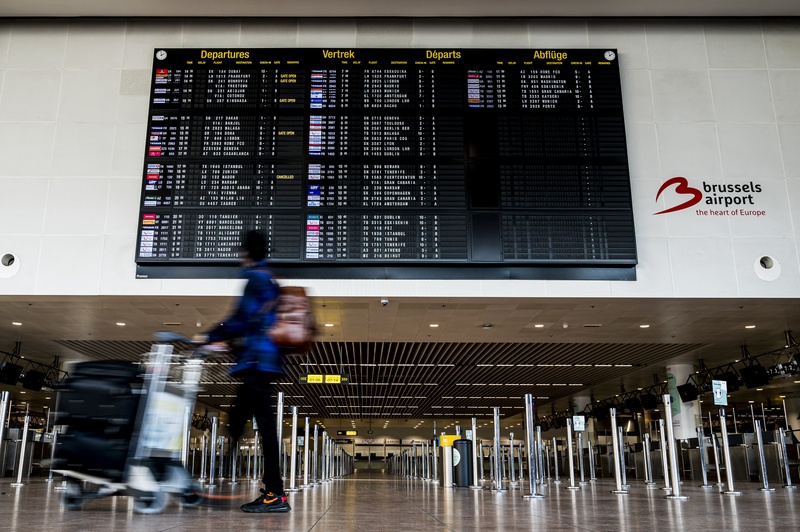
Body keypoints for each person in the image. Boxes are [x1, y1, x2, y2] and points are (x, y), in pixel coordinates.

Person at [204, 229, 290, 513]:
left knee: (264, 427)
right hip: (259, 361)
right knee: (237, 417)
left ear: (247, 253)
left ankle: (275, 494)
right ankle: (225, 470)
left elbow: (240, 318)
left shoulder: (256, 278)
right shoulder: (270, 278)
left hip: (257, 363)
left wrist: (209, 337)